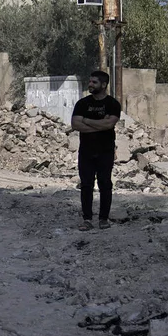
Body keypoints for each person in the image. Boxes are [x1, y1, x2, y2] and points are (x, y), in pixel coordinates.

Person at [70, 70, 122, 230]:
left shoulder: (113, 104)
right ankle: (87, 219)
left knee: (105, 183)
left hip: (105, 151)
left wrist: (86, 121)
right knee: (86, 185)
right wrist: (100, 124)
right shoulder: (82, 103)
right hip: (86, 151)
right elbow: (75, 124)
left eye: (94, 82)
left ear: (104, 85)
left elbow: (109, 125)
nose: (90, 84)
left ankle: (103, 219)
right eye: (90, 81)